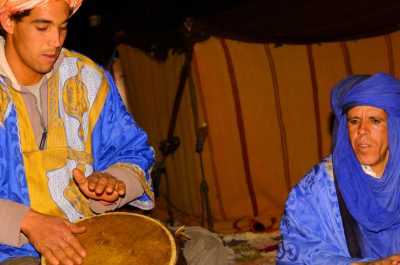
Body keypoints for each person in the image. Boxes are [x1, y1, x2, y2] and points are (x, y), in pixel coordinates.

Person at [0, 0, 155, 264]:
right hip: (13, 252)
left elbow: (133, 149)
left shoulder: (88, 78)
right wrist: (26, 220)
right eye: (42, 28)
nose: (56, 41)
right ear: (9, 22)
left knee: (202, 245)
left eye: (63, 28)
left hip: (91, 239)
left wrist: (111, 183)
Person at [276, 72, 400, 264]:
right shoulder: (318, 187)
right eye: (354, 121)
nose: (362, 130)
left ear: (395, 126)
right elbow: (298, 250)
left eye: (375, 120)